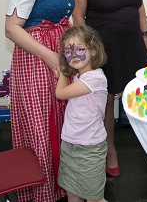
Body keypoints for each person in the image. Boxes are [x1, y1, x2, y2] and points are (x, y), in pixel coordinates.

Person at [73, 0, 147, 178]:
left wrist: (145, 34)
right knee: (105, 102)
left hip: (133, 44)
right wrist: (85, 52)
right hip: (103, 49)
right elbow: (78, 15)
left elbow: (139, 5)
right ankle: (111, 151)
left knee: (139, 94)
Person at [5, 0, 74, 202]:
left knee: (61, 122)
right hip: (36, 61)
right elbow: (11, 28)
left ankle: (62, 186)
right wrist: (48, 55)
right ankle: (42, 193)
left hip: (59, 59)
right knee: (41, 126)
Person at [56, 25, 109, 202]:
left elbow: (60, 93)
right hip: (70, 144)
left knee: (94, 198)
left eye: (79, 49)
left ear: (93, 51)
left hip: (90, 148)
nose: (73, 56)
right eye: (68, 52)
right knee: (72, 193)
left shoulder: (95, 78)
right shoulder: (79, 77)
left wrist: (63, 68)